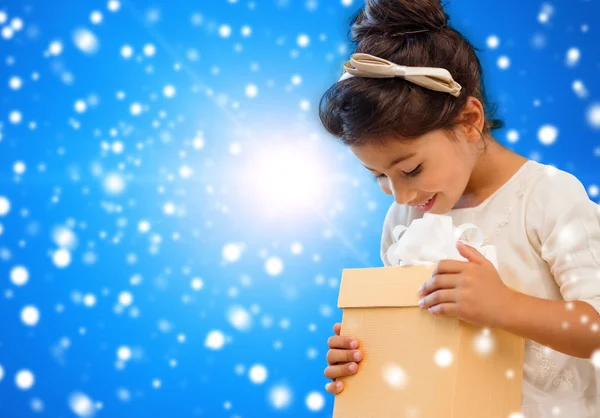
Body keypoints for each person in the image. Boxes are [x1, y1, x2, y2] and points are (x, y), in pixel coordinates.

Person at [318, 1, 600, 416]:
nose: (399, 195)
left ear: (469, 120)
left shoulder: (548, 197)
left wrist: (507, 307)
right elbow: (417, 337)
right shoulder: (405, 219)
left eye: (411, 168)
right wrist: (367, 350)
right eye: (378, 176)